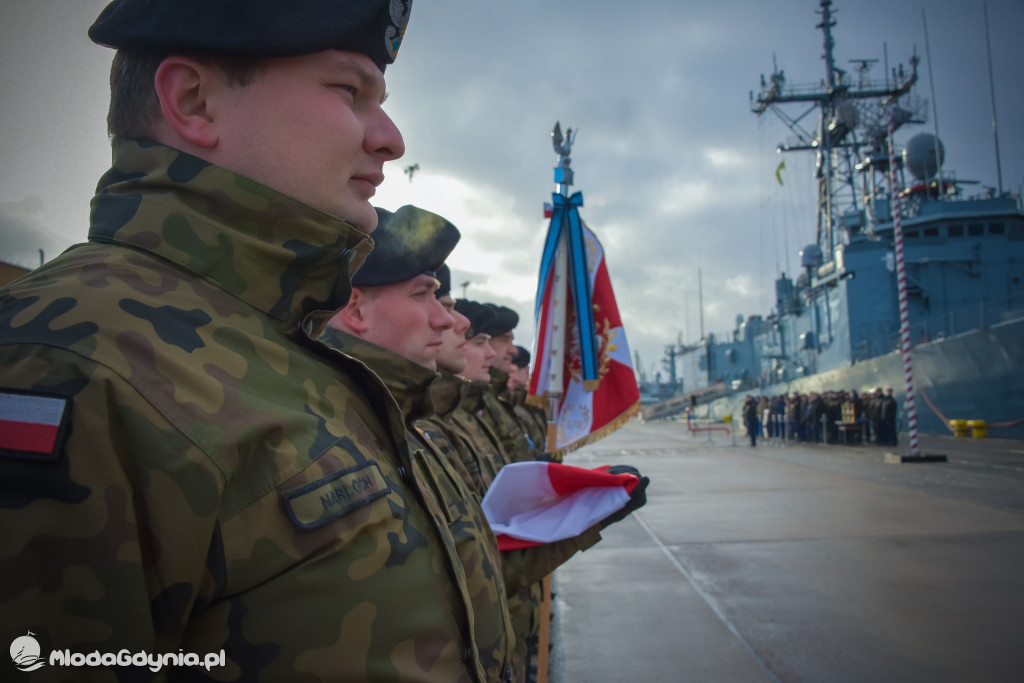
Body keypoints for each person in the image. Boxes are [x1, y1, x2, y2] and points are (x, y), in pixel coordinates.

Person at [0, 3, 494, 681]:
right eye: (348, 91)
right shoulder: (65, 362)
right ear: (193, 101)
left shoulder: (287, 352)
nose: (391, 139)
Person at [322, 206, 647, 682]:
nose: (447, 322)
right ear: (354, 309)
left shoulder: (408, 424)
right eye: (424, 296)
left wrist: (578, 509)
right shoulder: (354, 430)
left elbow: (475, 563)